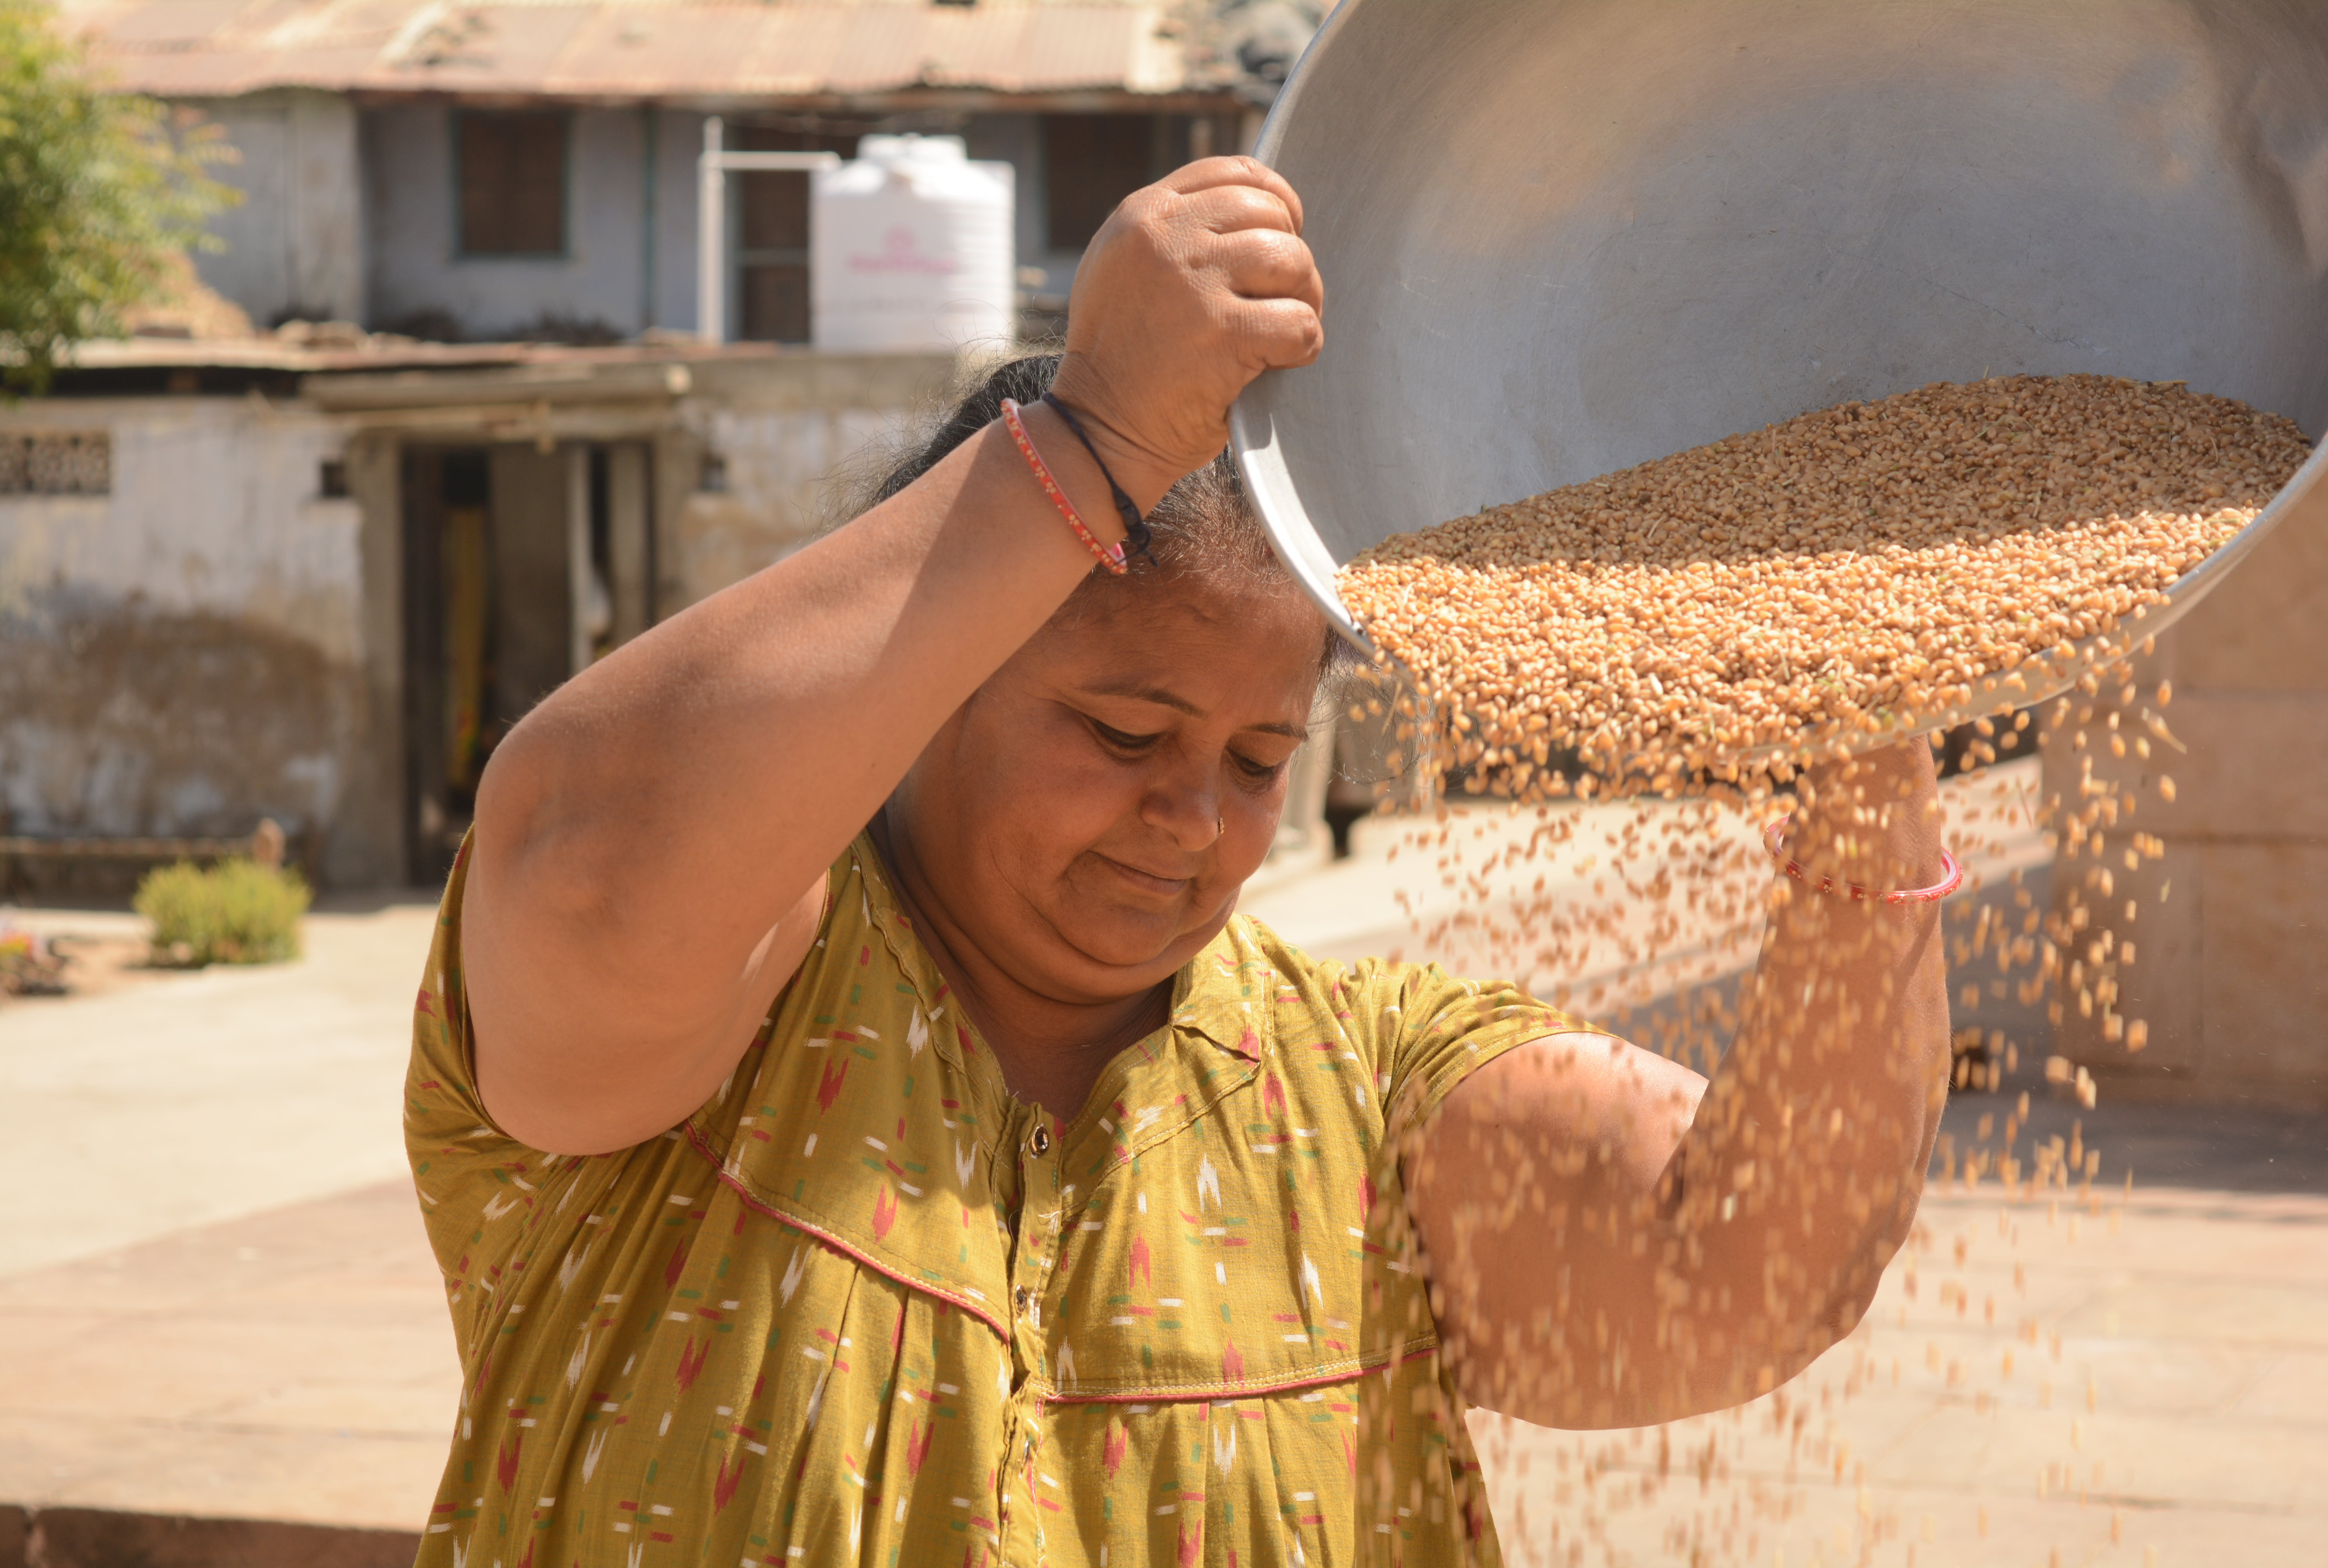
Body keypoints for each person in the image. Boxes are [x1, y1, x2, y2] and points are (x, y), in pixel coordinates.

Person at [405, 158, 1952, 1568]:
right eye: (1124, 733)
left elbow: (1748, 1258)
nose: (1195, 819)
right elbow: (589, 871)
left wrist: (1870, 757)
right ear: (930, 679)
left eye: (1259, 760)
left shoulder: (1357, 1086)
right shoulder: (752, 992)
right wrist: (1090, 446)